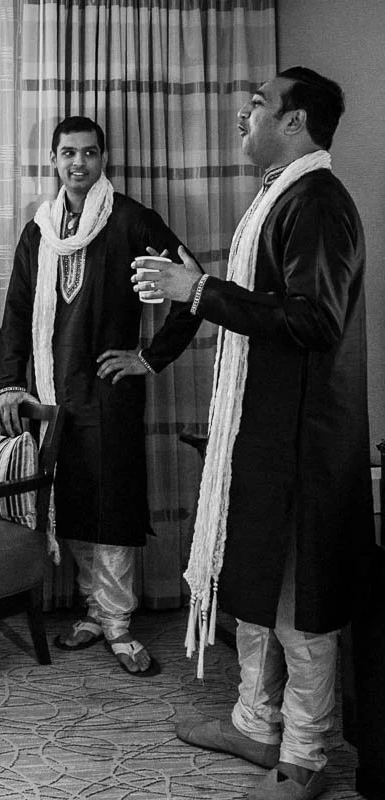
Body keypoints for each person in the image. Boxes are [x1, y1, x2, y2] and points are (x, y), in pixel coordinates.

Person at [153, 67, 374, 800]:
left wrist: (204, 294)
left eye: (256, 106)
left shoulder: (319, 202)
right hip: (261, 433)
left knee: (295, 605)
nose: (240, 116)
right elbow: (279, 303)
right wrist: (204, 286)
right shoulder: (283, 194)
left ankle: (305, 757)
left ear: (294, 121)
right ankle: (255, 721)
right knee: (251, 585)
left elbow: (315, 320)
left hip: (303, 443)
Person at [0, 116, 202, 676]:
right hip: (51, 394)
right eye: (67, 154)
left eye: (88, 153)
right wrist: (12, 384)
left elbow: (194, 283)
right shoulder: (40, 228)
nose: (78, 164)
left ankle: (118, 623)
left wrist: (149, 357)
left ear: (103, 157)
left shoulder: (132, 221)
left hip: (109, 392)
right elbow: (17, 312)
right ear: (54, 161)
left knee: (112, 503)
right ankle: (92, 611)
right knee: (76, 499)